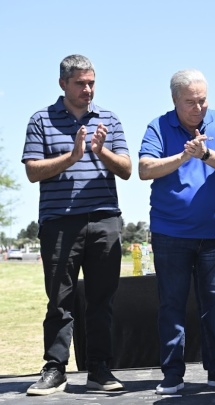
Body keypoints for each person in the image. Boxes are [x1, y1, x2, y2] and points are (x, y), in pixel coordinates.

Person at [22, 54, 131, 395]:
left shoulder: (109, 119)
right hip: (59, 223)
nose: (88, 89)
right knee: (60, 300)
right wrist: (71, 157)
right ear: (63, 84)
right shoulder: (41, 120)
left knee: (102, 300)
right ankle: (55, 368)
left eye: (91, 83)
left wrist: (101, 151)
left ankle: (99, 369)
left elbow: (127, 169)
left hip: (104, 220)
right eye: (80, 83)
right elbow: (32, 171)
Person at [138, 69, 215, 394]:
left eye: (203, 100)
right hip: (170, 233)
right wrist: (184, 156)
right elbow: (144, 169)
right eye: (191, 102)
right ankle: (172, 374)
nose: (199, 107)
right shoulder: (158, 126)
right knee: (172, 305)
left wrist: (205, 154)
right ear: (175, 100)